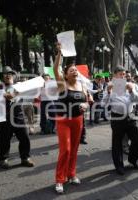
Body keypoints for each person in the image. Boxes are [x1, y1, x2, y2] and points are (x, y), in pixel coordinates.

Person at [53, 43, 91, 194]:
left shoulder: (83, 86)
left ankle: (72, 174)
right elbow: (56, 69)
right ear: (66, 74)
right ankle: (59, 179)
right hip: (63, 120)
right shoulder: (62, 84)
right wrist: (59, 53)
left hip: (78, 120)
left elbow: (88, 101)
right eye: (71, 70)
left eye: (76, 70)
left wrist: (86, 105)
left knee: (74, 149)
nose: (75, 71)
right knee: (66, 150)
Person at [103, 66, 138, 175]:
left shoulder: (132, 85)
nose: (123, 76)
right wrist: (109, 92)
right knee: (117, 143)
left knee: (137, 140)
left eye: (124, 74)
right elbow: (103, 103)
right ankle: (119, 166)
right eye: (120, 74)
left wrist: (131, 91)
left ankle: (132, 160)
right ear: (114, 75)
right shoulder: (109, 86)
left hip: (130, 116)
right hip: (117, 117)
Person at [0, 66, 34, 169]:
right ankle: (3, 159)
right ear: (1, 77)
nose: (8, 75)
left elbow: (28, 105)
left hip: (19, 116)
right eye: (5, 73)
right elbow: (8, 97)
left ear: (13, 76)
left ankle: (25, 158)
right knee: (4, 140)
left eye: (10, 73)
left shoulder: (20, 86)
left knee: (25, 137)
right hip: (4, 118)